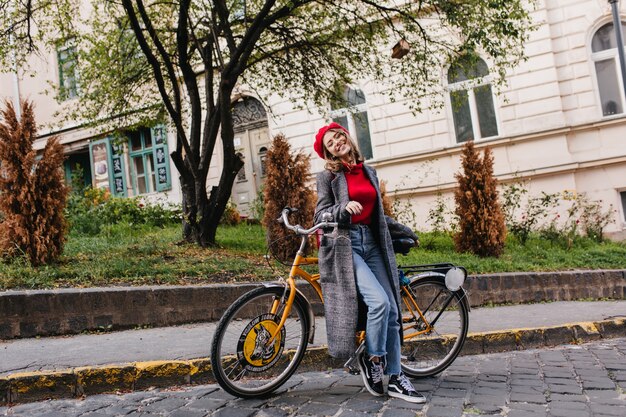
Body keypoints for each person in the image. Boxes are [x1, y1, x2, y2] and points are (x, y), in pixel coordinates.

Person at [313, 122, 426, 403]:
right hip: (346, 244)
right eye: (330, 143)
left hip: (373, 244)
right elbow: (320, 216)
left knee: (392, 309)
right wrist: (342, 209)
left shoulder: (369, 172)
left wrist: (405, 232)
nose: (337, 141)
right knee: (379, 302)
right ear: (328, 153)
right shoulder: (327, 177)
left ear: (347, 136)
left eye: (338, 135)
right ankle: (373, 360)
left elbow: (378, 217)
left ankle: (398, 377)